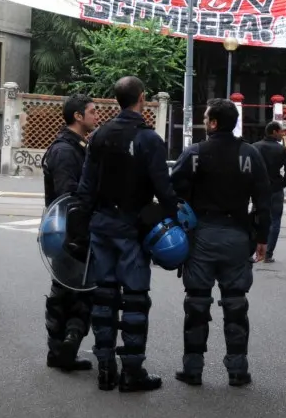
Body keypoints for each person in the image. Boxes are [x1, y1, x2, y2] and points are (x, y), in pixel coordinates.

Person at [74, 76, 178, 392]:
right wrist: (176, 220)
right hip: (133, 228)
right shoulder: (149, 139)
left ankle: (105, 366)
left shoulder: (99, 135)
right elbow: (164, 187)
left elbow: (86, 188)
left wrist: (79, 229)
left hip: (101, 226)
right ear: (141, 98)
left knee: (104, 296)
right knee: (134, 300)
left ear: (117, 100)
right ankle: (132, 371)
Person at [170, 98, 271, 388]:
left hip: (201, 236)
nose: (204, 121)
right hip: (238, 236)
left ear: (213, 123)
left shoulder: (194, 154)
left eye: (206, 118)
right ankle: (238, 370)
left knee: (197, 304)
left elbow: (172, 191)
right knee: (236, 305)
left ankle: (193, 369)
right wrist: (261, 238)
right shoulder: (250, 154)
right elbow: (263, 201)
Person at [41, 94, 98, 371]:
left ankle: (64, 347)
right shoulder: (65, 150)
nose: (95, 116)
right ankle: (62, 348)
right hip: (68, 232)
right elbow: (68, 195)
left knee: (70, 290)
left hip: (70, 230)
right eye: (91, 111)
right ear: (78, 116)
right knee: (71, 290)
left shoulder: (77, 146)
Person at [253, 121, 286, 263]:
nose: (282, 134)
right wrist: (282, 184)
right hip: (275, 189)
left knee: (256, 217)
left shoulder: (254, 148)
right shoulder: (281, 150)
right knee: (275, 221)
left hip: (258, 190)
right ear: (274, 132)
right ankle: (268, 253)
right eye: (281, 131)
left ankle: (254, 250)